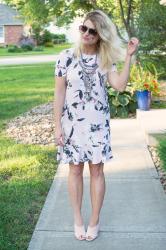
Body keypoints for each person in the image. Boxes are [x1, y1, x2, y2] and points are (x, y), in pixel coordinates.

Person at [54, 9, 139, 241]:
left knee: (97, 170)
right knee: (74, 169)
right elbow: (59, 93)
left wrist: (129, 56)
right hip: (72, 124)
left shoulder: (105, 60)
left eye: (93, 30)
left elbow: (120, 86)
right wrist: (57, 126)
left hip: (97, 125)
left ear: (100, 34)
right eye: (84, 28)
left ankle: (94, 220)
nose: (87, 33)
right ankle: (78, 219)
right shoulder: (65, 57)